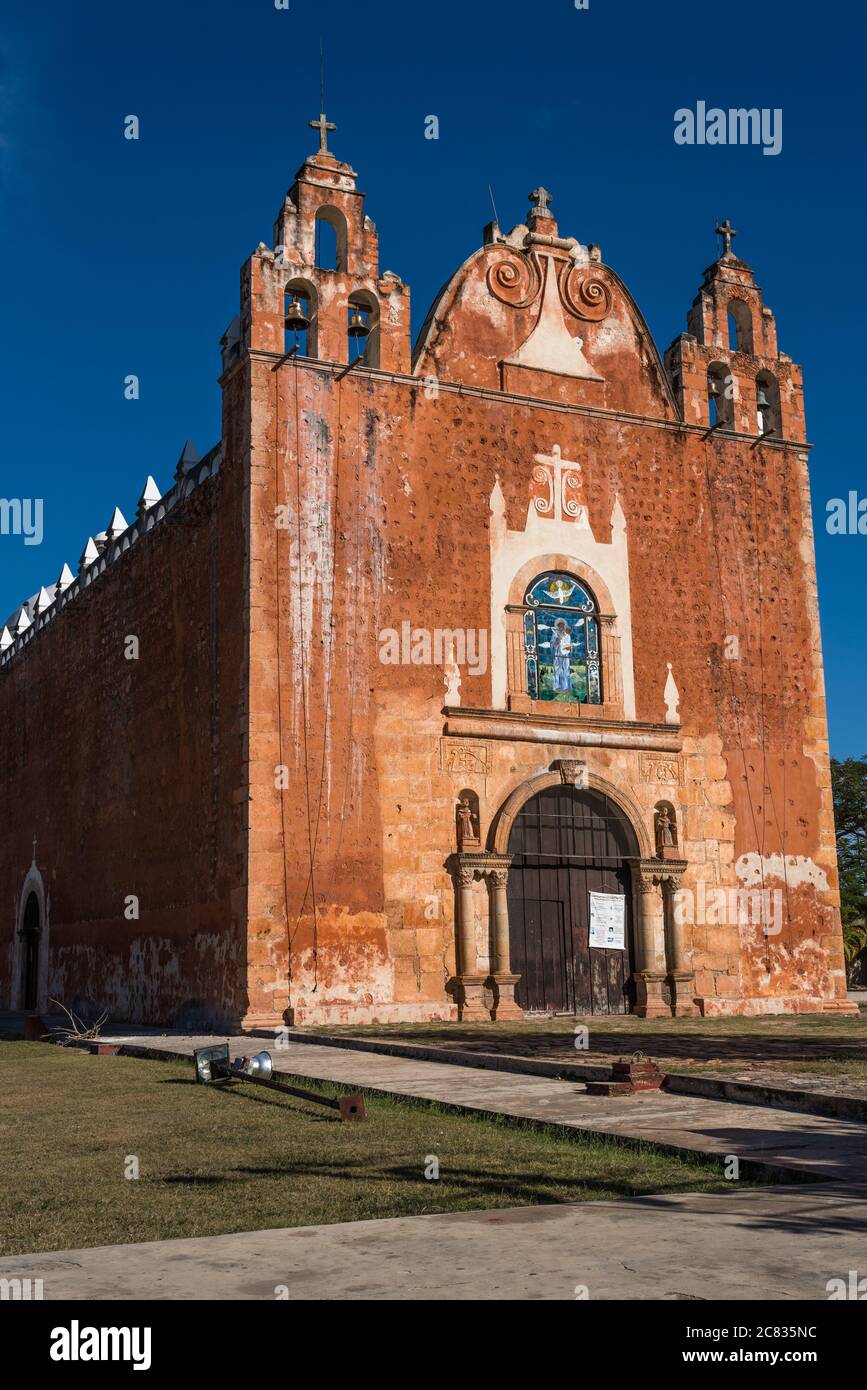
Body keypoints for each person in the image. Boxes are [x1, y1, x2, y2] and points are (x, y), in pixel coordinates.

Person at [551, 619, 573, 694]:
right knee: (557, 670)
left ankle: (566, 687)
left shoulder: (567, 636)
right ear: (557, 627)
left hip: (565, 655)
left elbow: (570, 645)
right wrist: (557, 640)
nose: (561, 627)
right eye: (560, 626)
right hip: (557, 655)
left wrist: (570, 648)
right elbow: (552, 645)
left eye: (563, 625)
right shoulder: (555, 635)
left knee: (566, 670)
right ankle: (557, 686)